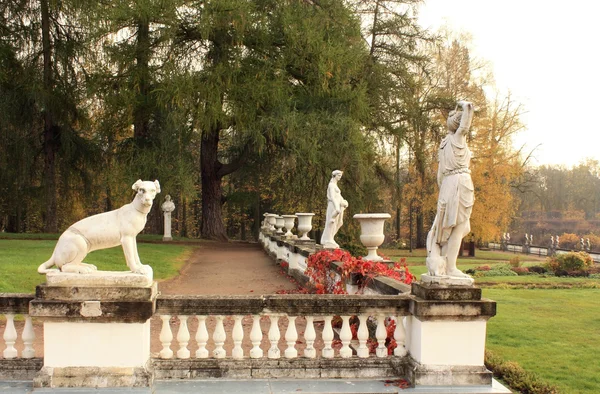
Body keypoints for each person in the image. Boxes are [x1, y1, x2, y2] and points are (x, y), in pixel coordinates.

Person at [426, 101, 475, 277]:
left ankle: (445, 259)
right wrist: (465, 106)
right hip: (460, 182)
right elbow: (465, 125)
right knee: (460, 226)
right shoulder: (457, 138)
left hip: (447, 184)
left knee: (460, 226)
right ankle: (451, 267)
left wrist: (444, 192)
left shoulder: (444, 143)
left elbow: (439, 174)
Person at [320, 170, 348, 249]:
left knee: (339, 222)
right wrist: (336, 207)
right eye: (338, 176)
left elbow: (339, 196)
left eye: (340, 176)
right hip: (333, 206)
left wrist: (344, 202)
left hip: (339, 206)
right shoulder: (331, 185)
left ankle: (330, 237)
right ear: (334, 175)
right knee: (331, 222)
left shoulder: (335, 185)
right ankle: (329, 238)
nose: (340, 177)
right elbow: (332, 197)